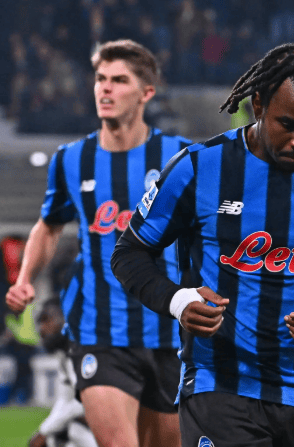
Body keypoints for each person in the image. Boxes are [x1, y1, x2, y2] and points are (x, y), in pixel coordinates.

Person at [111, 43, 294, 447]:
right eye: (288, 124)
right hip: (218, 385)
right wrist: (179, 301)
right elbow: (129, 253)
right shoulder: (199, 167)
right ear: (257, 105)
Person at [5, 39, 190, 447]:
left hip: (169, 334)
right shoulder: (72, 159)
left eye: (119, 80)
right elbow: (49, 227)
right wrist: (25, 277)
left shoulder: (180, 158)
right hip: (99, 333)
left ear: (146, 93)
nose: (105, 88)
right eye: (100, 79)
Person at [28, 297, 98, 447]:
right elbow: (66, 399)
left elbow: (87, 402)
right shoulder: (65, 354)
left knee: (73, 429)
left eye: (47, 320)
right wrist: (44, 431)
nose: (42, 328)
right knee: (63, 434)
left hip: (125, 420)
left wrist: (44, 431)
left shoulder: (87, 351)